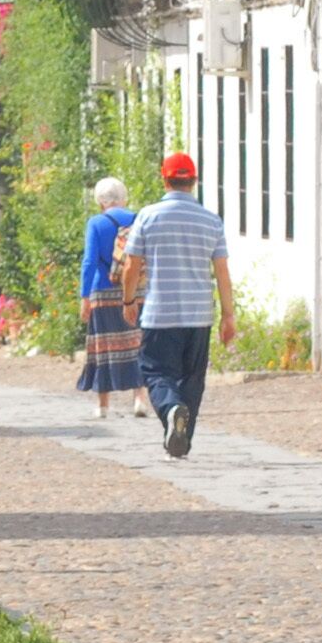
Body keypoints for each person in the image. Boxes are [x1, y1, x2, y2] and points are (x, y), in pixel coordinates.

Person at [117, 151, 232, 457]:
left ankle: (171, 410)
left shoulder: (148, 216)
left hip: (160, 313)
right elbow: (222, 270)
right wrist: (228, 316)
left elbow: (131, 265)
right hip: (199, 315)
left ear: (164, 178)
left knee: (156, 373)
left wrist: (128, 299)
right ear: (194, 181)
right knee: (192, 379)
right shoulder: (211, 221)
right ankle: (182, 439)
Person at [75, 175, 143, 420]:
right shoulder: (138, 219)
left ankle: (103, 406)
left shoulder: (96, 223)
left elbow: (90, 261)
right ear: (124, 198)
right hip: (135, 289)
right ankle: (139, 400)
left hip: (102, 291)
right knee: (137, 342)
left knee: (102, 347)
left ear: (100, 201)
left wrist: (84, 297)